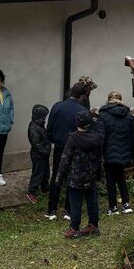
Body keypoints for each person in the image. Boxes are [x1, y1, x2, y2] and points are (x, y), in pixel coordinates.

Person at [44, 80, 94, 219]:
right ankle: (68, 210)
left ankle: (51, 210)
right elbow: (88, 132)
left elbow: (50, 129)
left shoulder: (57, 106)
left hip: (60, 147)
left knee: (56, 176)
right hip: (76, 148)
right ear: (83, 97)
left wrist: (54, 139)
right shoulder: (83, 111)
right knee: (72, 178)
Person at [58, 112, 104, 239]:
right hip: (91, 175)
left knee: (75, 204)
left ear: (77, 123)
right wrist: (99, 175)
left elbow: (65, 159)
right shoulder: (97, 138)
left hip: (75, 177)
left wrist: (59, 177)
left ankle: (74, 228)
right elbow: (100, 158)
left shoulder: (73, 138)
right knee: (92, 201)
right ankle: (93, 225)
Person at [98, 91, 134, 214]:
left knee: (110, 179)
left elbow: (101, 136)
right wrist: (132, 154)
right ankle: (126, 204)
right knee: (121, 177)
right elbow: (133, 137)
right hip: (124, 152)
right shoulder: (129, 116)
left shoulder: (103, 115)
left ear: (108, 100)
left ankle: (113, 207)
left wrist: (100, 153)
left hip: (109, 152)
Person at [26, 104, 51, 203]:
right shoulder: (33, 128)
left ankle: (45, 188)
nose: (44, 119)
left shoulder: (39, 125)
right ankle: (31, 191)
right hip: (38, 155)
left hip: (44, 154)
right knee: (38, 173)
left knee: (45, 172)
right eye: (43, 117)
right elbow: (36, 143)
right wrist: (45, 151)